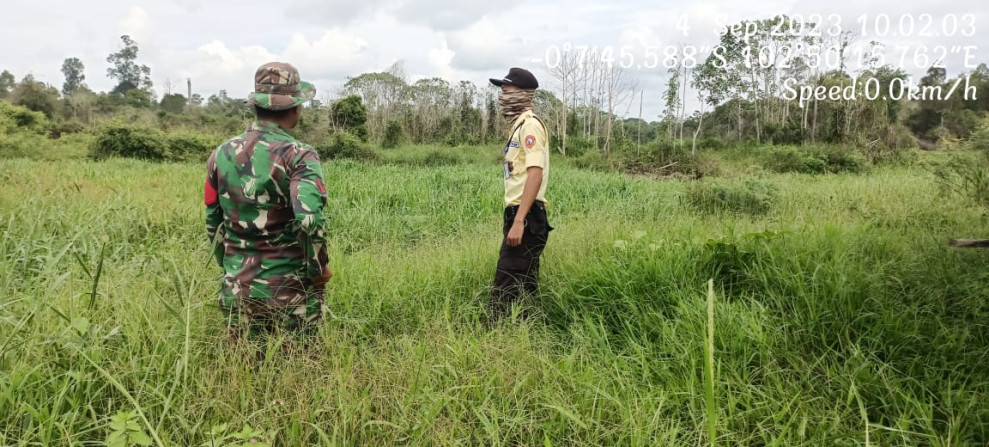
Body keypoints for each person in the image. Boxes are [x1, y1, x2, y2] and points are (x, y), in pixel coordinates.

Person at [204, 62, 331, 340]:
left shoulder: (220, 154)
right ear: (296, 107)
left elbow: (213, 221)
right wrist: (319, 268)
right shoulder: (299, 155)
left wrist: (231, 268)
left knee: (243, 371)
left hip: (236, 290)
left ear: (256, 106)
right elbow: (309, 218)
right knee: (297, 371)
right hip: (290, 292)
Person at [488, 67, 553, 320]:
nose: (502, 95)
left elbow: (534, 174)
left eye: (507, 90)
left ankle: (495, 338)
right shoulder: (517, 127)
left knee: (505, 283)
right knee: (524, 283)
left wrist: (519, 221)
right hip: (521, 213)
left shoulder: (531, 126)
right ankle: (528, 331)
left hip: (526, 215)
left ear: (524, 94)